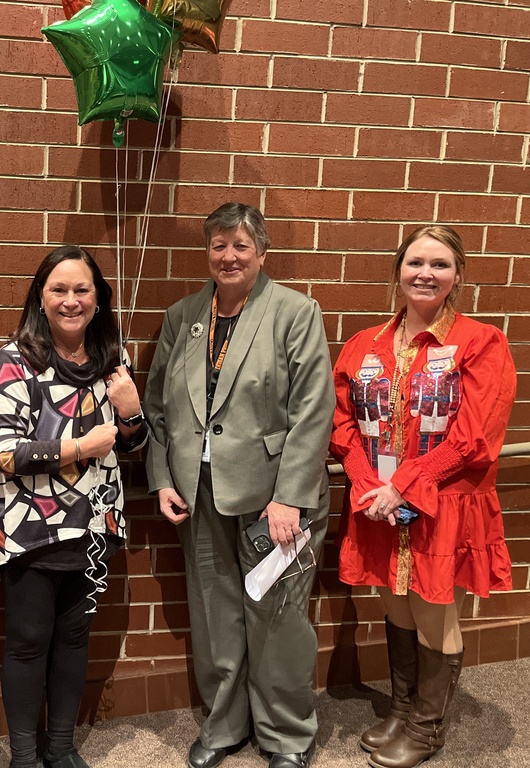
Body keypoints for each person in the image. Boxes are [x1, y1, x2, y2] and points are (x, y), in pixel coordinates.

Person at [143, 203, 334, 768]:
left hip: (273, 499)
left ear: (262, 253)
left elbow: (313, 409)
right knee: (213, 613)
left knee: (277, 618)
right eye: (218, 246)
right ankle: (224, 725)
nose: (228, 256)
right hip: (198, 492)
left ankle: (286, 737)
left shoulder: (295, 312)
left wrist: (291, 496)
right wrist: (161, 478)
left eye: (240, 246)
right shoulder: (183, 317)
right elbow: (157, 408)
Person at [329, 225, 515, 768]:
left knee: (434, 611)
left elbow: (476, 437)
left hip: (444, 504)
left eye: (440, 264)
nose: (426, 273)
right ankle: (403, 709)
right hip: (378, 502)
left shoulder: (481, 341)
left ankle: (427, 729)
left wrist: (403, 484)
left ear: (458, 276)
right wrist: (369, 483)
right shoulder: (362, 344)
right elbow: (344, 427)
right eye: (416, 262)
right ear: (398, 269)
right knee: (394, 602)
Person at [0, 245, 148, 768]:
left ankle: (60, 746)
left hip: (96, 523)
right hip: (32, 527)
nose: (71, 300)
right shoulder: (18, 359)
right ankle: (24, 756)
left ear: (98, 299)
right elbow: (0, 451)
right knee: (29, 641)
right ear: (41, 296)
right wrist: (78, 447)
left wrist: (132, 414)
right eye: (59, 289)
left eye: (82, 290)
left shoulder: (112, 360)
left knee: (76, 639)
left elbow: (135, 447)